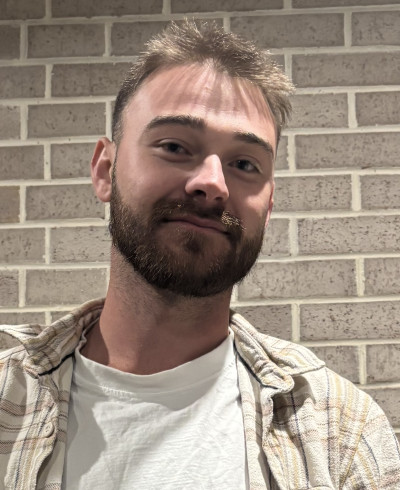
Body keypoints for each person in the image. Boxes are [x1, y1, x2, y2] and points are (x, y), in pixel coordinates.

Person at [0, 20, 399, 490]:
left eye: (244, 163)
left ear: (269, 205)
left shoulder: (343, 433)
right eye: (174, 146)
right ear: (105, 170)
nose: (212, 183)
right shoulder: (8, 395)